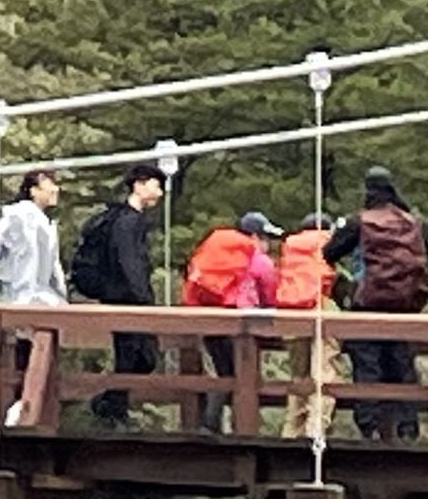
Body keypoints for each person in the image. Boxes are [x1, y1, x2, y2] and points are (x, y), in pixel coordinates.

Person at [338, 167, 428, 440]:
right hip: (404, 305)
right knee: (402, 364)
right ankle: (408, 426)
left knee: (367, 364)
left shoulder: (361, 222)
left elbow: (330, 251)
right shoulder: (410, 222)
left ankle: (370, 426)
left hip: (368, 303)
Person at [70, 172, 167, 427]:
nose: (160, 193)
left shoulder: (128, 219)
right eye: (156, 186)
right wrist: (143, 297)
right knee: (133, 355)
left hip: (123, 297)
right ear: (139, 185)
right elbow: (129, 262)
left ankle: (110, 404)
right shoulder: (126, 221)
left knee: (141, 357)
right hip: (126, 299)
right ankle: (114, 410)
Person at [178, 210, 278, 433]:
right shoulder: (257, 259)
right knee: (239, 376)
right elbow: (269, 291)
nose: (266, 243)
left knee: (226, 372)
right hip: (240, 322)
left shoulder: (216, 249)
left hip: (211, 317)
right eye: (264, 238)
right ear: (253, 237)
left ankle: (213, 424)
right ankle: (226, 426)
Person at [270, 214, 340, 442]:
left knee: (299, 376)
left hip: (291, 310)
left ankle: (292, 430)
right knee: (323, 371)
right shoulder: (329, 241)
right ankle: (316, 428)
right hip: (319, 305)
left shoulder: (290, 245)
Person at [0, 165, 67, 306]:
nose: (55, 189)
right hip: (23, 298)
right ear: (34, 191)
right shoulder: (22, 218)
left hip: (32, 297)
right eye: (50, 185)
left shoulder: (42, 222)